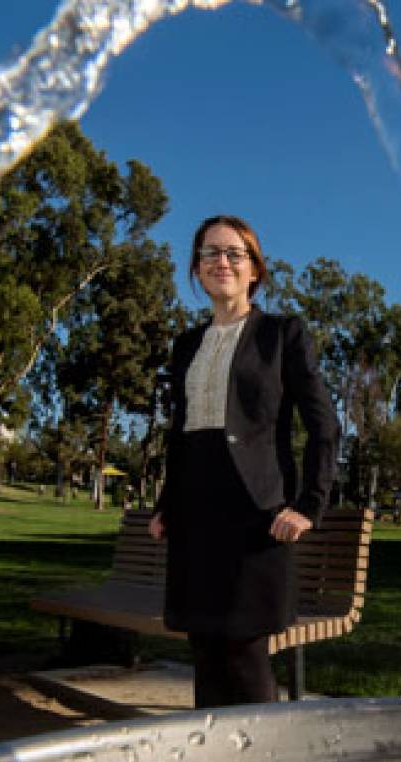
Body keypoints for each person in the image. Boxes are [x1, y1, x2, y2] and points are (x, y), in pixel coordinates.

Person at [149, 215, 339, 708]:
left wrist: (308, 505)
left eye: (234, 253)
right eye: (209, 253)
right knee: (204, 645)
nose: (221, 262)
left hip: (256, 512)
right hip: (195, 508)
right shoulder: (187, 344)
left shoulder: (283, 335)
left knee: (244, 648)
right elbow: (182, 429)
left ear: (255, 269)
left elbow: (324, 426)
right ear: (196, 267)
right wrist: (166, 504)